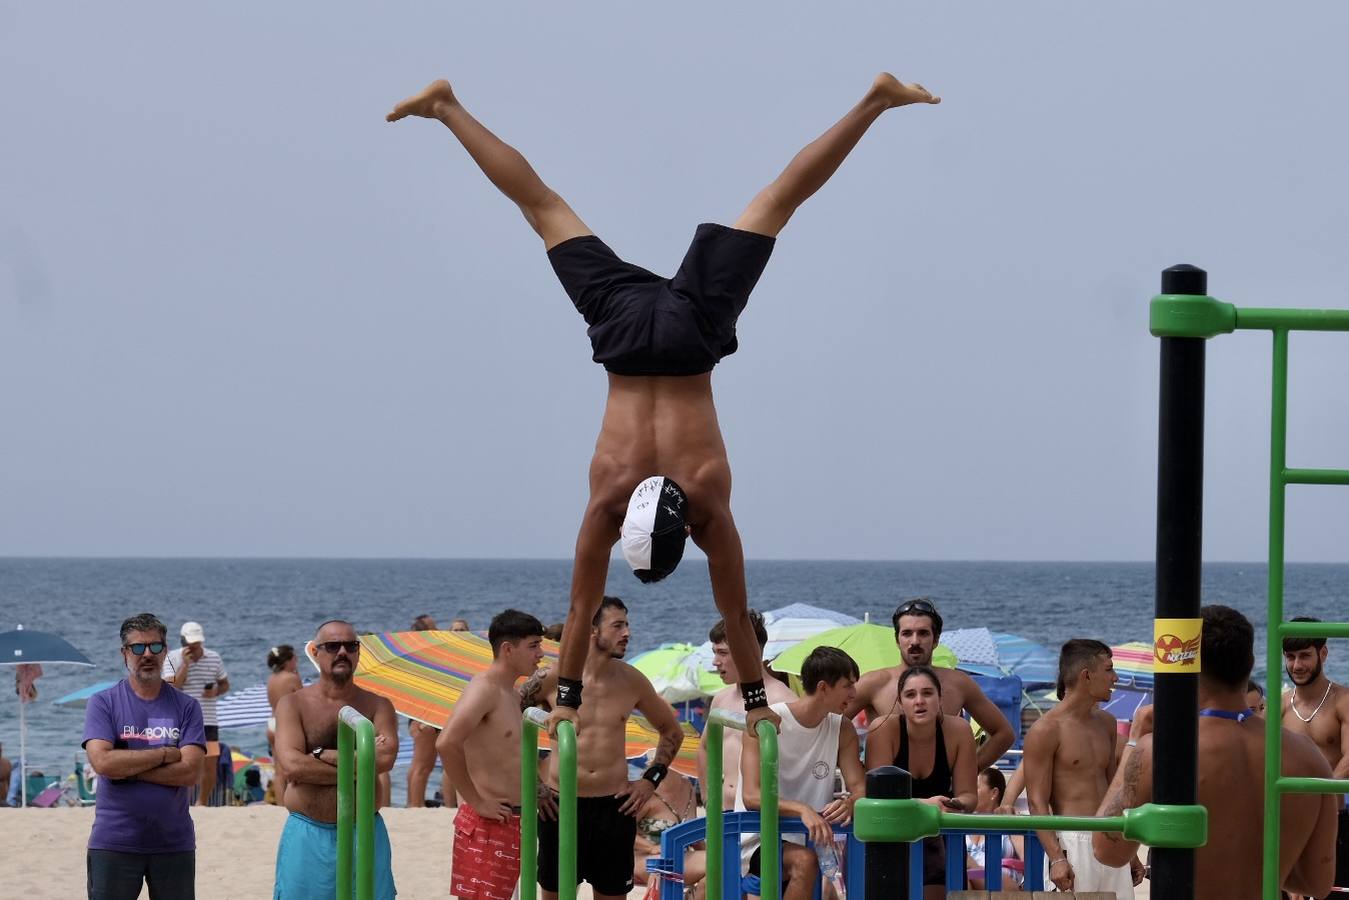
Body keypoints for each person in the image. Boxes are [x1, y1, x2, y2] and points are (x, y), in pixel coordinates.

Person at [386, 73, 941, 741]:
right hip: (623, 337)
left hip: (689, 340)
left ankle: (874, 101)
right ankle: (446, 107)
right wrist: (564, 696)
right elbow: (582, 604)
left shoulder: (704, 503)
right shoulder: (612, 503)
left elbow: (733, 621)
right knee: (544, 208)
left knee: (773, 203)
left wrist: (753, 700)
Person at [1093, 604, 1338, 900]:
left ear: (1190, 664)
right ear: (1249, 663)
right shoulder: (1309, 756)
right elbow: (1317, 883)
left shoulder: (1160, 750)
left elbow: (1106, 849)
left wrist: (1135, 740)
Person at [521, 596, 685, 899]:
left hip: (614, 807)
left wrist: (650, 781)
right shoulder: (551, 678)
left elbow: (672, 732)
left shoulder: (632, 681)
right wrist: (532, 782)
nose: (627, 633)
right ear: (592, 630)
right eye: (618, 625)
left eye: (627, 624)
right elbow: (508, 726)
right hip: (558, 805)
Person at [82, 613, 207, 900]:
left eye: (155, 646)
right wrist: (165, 754)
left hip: (173, 843)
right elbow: (102, 763)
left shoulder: (187, 707)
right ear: (124, 653)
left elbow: (190, 772)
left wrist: (127, 767)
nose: (147, 654)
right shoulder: (103, 703)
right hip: (114, 842)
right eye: (138, 647)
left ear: (165, 650)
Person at [272, 620, 399, 900]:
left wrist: (320, 755)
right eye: (332, 646)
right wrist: (361, 765)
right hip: (308, 833)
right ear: (316, 653)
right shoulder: (293, 704)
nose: (342, 652)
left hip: (363, 831)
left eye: (350, 646)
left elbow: (386, 759)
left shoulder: (379, 706)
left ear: (358, 653)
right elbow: (292, 765)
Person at [435, 609, 546, 900]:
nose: (541, 653)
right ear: (508, 650)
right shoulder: (484, 688)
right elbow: (446, 743)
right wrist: (477, 801)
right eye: (533, 645)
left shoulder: (512, 692)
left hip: (511, 821)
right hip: (488, 823)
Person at [740, 647, 867, 900]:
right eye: (848, 686)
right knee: (805, 861)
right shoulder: (767, 722)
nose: (854, 694)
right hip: (759, 838)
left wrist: (851, 802)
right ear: (823, 687)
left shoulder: (843, 728)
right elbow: (752, 797)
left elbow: (859, 787)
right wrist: (802, 809)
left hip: (812, 838)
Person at [1022, 639, 1138, 897]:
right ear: (1086, 675)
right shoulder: (1046, 729)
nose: (1115, 677)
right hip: (1072, 843)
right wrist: (1057, 858)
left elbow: (1113, 791)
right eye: (1109, 669)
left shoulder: (1107, 723)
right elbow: (1036, 802)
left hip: (1108, 836)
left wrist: (1126, 850)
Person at [846, 598, 1014, 769]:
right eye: (907, 633)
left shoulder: (958, 683)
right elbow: (830, 728)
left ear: (936, 640)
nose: (915, 641)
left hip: (941, 792)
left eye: (923, 633)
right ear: (897, 640)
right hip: (888, 792)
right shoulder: (873, 683)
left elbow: (1004, 733)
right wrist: (857, 774)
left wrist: (967, 773)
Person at [864, 665, 977, 900]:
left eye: (927, 693)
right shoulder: (883, 729)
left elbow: (969, 796)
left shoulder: (959, 731)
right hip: (888, 836)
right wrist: (927, 804)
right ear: (900, 702)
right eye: (910, 695)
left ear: (940, 698)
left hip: (938, 840)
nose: (919, 701)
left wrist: (951, 804)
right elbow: (877, 798)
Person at [699, 610, 796, 811]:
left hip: (760, 817)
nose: (715, 662)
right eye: (714, 652)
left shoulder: (782, 700)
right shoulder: (721, 698)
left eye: (723, 653)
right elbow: (704, 748)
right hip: (723, 813)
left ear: (749, 651)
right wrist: (708, 797)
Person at [1280, 615, 1349, 894]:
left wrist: (1316, 802)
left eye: (1305, 656)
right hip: (1289, 821)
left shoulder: (1343, 701)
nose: (1297, 665)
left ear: (1323, 653)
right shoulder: (1280, 707)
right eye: (1290, 656)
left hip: (1335, 821)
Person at [161, 621, 229, 806]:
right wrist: (185, 665)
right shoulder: (172, 658)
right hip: (181, 718)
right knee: (184, 762)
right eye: (191, 643)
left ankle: (202, 802)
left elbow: (225, 684)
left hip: (208, 718)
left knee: (210, 764)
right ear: (183, 641)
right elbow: (172, 687)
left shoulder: (214, 657)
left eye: (197, 643)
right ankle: (184, 801)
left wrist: (215, 691)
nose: (194, 646)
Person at [632, 766, 702, 892]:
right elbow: (621, 831)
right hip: (643, 857)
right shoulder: (647, 789)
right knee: (662, 866)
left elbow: (694, 837)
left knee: (722, 862)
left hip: (680, 856)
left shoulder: (688, 787)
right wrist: (650, 847)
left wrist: (713, 852)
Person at [407, 614, 447, 808]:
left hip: (425, 714)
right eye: (433, 627)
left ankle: (414, 805)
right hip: (423, 715)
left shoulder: (418, 655)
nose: (438, 630)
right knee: (422, 765)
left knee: (423, 765)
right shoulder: (421, 656)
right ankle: (415, 806)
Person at [964, 767, 1024, 891]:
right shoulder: (963, 822)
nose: (971, 793)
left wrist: (973, 865)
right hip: (969, 880)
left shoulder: (1010, 820)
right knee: (964, 879)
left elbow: (1028, 860)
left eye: (976, 788)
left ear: (994, 793)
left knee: (965, 869)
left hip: (1002, 881)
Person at [266, 644, 302, 806]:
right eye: (294, 658)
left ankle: (280, 806)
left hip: (272, 723)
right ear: (287, 661)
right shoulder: (291, 678)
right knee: (293, 768)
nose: (297, 660)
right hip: (286, 725)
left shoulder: (272, 679)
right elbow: (303, 700)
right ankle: (292, 803)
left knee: (278, 771)